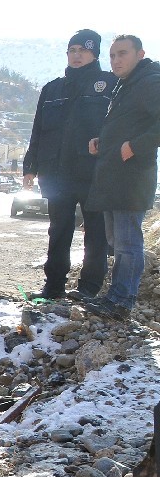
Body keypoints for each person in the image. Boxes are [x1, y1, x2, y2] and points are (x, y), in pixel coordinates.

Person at [21, 29, 115, 301]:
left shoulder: (109, 85)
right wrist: (31, 166)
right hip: (57, 173)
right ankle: (53, 287)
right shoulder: (52, 89)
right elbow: (38, 130)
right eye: (72, 50)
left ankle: (89, 288)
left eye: (83, 51)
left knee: (95, 234)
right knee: (58, 231)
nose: (76, 55)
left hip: (93, 173)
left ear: (95, 54)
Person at [83, 35, 160, 321]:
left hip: (132, 177)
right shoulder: (126, 84)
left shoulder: (150, 81)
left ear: (140, 54)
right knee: (118, 241)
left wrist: (135, 146)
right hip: (115, 177)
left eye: (123, 54)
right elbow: (128, 125)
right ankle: (115, 295)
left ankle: (122, 301)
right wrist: (102, 140)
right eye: (113, 55)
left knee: (128, 244)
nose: (116, 60)